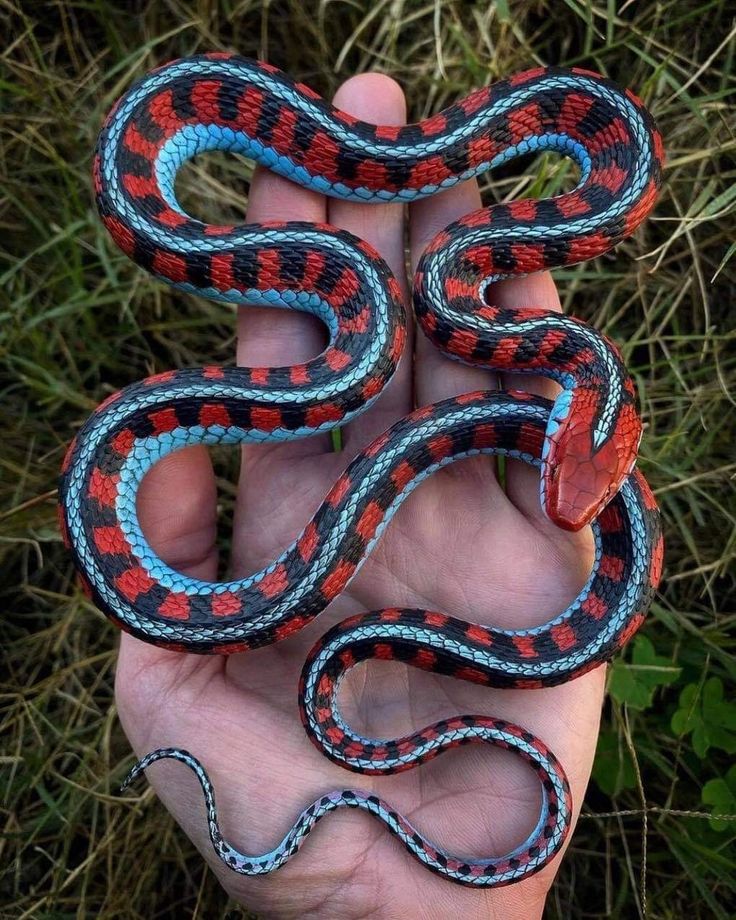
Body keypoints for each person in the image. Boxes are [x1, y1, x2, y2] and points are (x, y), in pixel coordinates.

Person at [116, 72, 600, 920]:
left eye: (567, 484)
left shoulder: (556, 377)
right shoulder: (501, 334)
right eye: (563, 475)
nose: (564, 503)